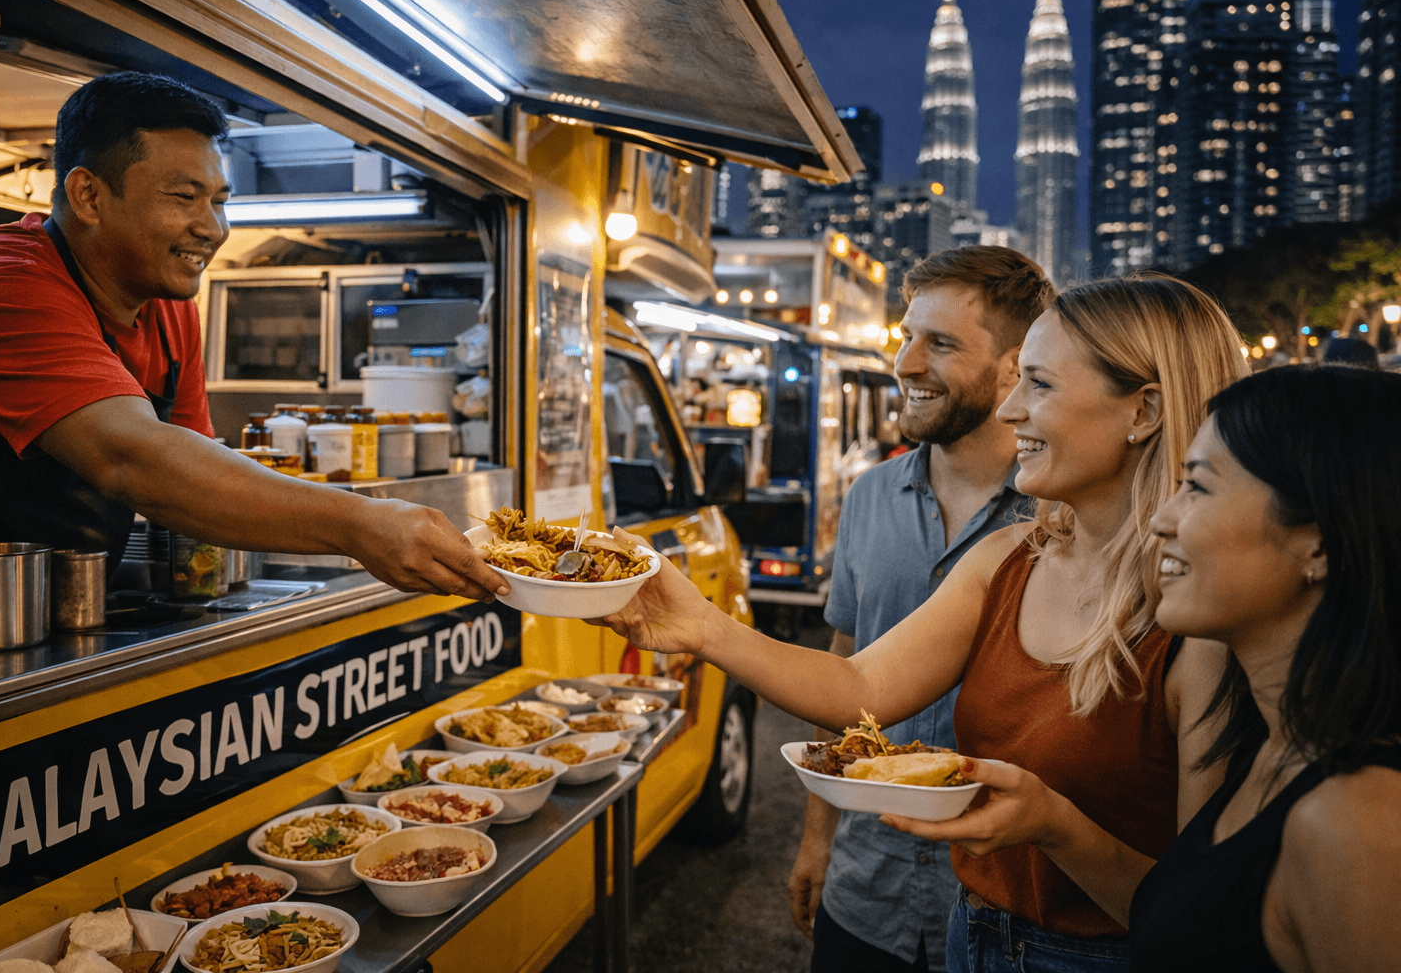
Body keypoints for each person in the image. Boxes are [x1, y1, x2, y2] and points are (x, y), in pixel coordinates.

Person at [598, 276, 1248, 971]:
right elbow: (857, 684)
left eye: (1040, 385)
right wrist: (698, 625)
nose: (1011, 409)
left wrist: (1057, 828)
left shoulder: (1204, 621)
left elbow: (1202, 923)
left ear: (1143, 410)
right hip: (971, 935)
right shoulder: (1006, 559)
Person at [0, 71, 505, 600]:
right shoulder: (0, 285)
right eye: (184, 197)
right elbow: (134, 461)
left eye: (220, 201)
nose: (212, 228)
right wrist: (361, 524)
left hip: (63, 614)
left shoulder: (165, 304)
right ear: (88, 195)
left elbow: (195, 466)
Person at [888, 365, 1401, 971]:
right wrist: (1049, 821)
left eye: (1199, 488)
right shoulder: (1276, 747)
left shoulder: (1357, 820)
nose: (1162, 519)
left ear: (1318, 544)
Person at [788, 246, 1051, 973]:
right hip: (864, 890)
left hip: (1004, 911)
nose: (905, 363)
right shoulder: (870, 496)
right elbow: (842, 667)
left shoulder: (1063, 515)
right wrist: (818, 839)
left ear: (1015, 365)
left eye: (939, 343)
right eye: (905, 336)